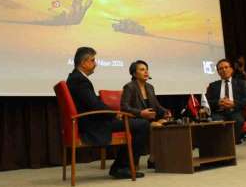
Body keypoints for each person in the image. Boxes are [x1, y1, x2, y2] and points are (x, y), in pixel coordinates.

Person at [66, 47, 148, 179]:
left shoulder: (74, 78)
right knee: (142, 124)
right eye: (93, 60)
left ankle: (120, 166)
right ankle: (122, 167)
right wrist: (114, 114)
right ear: (83, 63)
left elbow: (92, 103)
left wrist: (113, 113)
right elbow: (94, 105)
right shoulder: (79, 80)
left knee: (135, 123)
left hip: (89, 120)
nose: (96, 64)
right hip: (92, 124)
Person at [121, 60, 171, 168]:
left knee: (166, 123)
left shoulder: (150, 87)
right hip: (135, 120)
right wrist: (141, 113)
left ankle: (163, 157)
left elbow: (156, 106)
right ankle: (152, 159)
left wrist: (165, 112)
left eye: (147, 69)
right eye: (142, 69)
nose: (146, 72)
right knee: (156, 125)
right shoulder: (129, 87)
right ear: (134, 74)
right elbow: (124, 107)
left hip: (149, 119)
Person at [205, 58, 246, 144]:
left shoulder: (240, 83)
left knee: (239, 121)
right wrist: (218, 102)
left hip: (235, 111)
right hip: (219, 112)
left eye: (226, 67)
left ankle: (231, 142)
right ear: (218, 72)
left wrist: (233, 103)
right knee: (216, 122)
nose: (224, 70)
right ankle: (223, 144)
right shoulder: (213, 85)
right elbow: (207, 102)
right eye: (221, 68)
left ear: (231, 69)